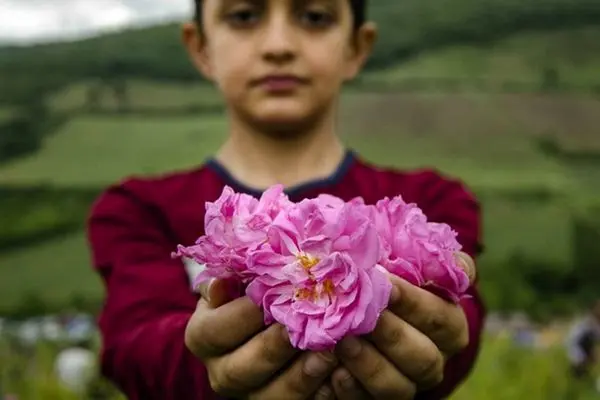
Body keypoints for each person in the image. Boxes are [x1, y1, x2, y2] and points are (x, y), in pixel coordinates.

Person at [86, 0, 486, 399]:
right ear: (200, 47)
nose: (279, 46)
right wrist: (206, 359)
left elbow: (457, 329)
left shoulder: (428, 204)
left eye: (314, 17)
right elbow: (134, 346)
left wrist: (443, 337)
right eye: (243, 16)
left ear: (356, 47)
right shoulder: (137, 208)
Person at [566, 301, 600, 379]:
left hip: (581, 344)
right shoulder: (589, 322)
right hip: (578, 344)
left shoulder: (591, 321)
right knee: (581, 369)